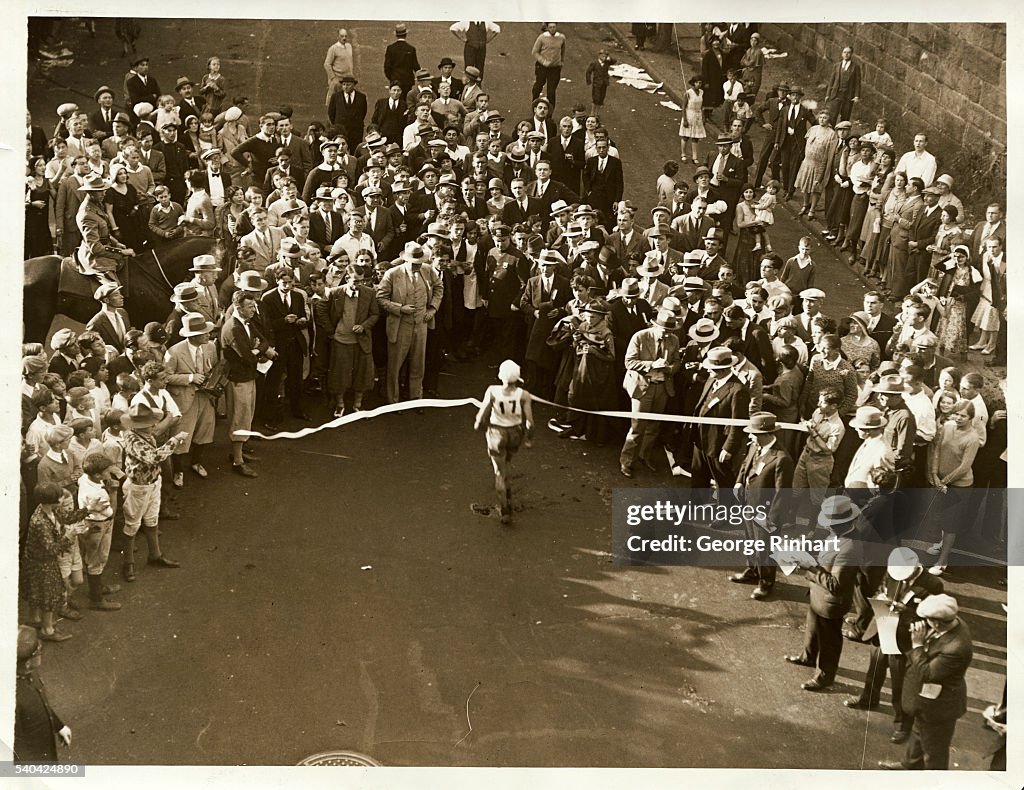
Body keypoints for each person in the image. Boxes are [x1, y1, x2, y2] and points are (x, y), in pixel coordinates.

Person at [878, 593, 973, 770]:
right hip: (926, 703)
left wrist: (917, 645)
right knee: (918, 734)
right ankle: (910, 765)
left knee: (934, 752)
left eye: (927, 620)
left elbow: (927, 673)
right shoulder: (951, 621)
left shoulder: (956, 648)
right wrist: (906, 611)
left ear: (937, 623)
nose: (925, 623)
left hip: (939, 707)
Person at [785, 495, 863, 688]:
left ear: (844, 523)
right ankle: (808, 657)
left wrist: (809, 568)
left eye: (832, 524)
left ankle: (825, 676)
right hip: (818, 596)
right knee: (811, 631)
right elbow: (827, 560)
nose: (828, 527)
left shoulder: (849, 547)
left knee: (829, 642)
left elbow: (836, 585)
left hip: (830, 603)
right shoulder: (837, 535)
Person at [731, 412, 794, 601]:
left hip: (765, 513)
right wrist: (739, 482)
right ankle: (752, 570)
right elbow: (746, 466)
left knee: (765, 548)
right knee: (750, 540)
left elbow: (782, 494)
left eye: (753, 433)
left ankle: (766, 582)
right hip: (748, 504)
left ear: (765, 434)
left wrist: (771, 520)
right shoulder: (755, 447)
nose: (750, 436)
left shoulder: (782, 459)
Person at [377, 242, 444, 405]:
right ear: (406, 260)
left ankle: (416, 398)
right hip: (400, 325)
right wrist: (400, 308)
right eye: (414, 264)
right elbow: (381, 297)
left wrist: (433, 309)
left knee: (417, 364)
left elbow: (439, 287)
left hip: (421, 324)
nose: (417, 266)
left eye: (420, 263)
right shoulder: (392, 274)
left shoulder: (428, 270)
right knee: (395, 365)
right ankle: (393, 401)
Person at [619, 309, 680, 478]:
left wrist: (669, 369)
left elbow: (677, 362)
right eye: (664, 331)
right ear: (655, 325)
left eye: (670, 331)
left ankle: (644, 456)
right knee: (637, 427)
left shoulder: (674, 339)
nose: (667, 334)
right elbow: (629, 362)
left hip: (662, 388)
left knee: (654, 426)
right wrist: (652, 365)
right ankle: (626, 461)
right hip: (643, 387)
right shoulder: (640, 337)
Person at [472, 359, 533, 525]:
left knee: (499, 470)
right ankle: (509, 493)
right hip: (514, 433)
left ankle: (505, 509)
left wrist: (478, 425)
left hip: (497, 432)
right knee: (507, 462)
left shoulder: (492, 391)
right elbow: (530, 423)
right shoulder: (524, 395)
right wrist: (528, 439)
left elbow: (482, 413)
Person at [925, 399, 980, 576]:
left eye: (962, 415)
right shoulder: (947, 426)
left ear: (971, 418)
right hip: (941, 483)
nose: (958, 418)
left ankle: (943, 561)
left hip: (959, 487)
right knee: (941, 518)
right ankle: (941, 545)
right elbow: (937, 451)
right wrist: (934, 474)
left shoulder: (973, 438)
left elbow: (964, 467)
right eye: (956, 413)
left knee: (951, 524)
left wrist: (945, 481)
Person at [21, 484, 76, 642]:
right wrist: (69, 537)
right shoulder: (40, 522)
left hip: (37, 561)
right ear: (51, 500)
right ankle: (47, 630)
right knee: (48, 596)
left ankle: (35, 620)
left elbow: (67, 518)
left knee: (36, 593)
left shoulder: (49, 510)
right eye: (59, 496)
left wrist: (88, 509)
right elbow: (51, 549)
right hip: (41, 564)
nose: (62, 498)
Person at [327, 264, 379, 416]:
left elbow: (375, 314)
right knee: (340, 373)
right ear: (347, 278)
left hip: (361, 340)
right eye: (355, 281)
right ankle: (340, 404)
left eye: (361, 281)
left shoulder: (369, 293)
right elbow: (323, 310)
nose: (358, 285)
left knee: (362, 373)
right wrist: (331, 331)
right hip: (341, 340)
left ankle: (358, 404)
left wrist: (364, 326)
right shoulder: (335, 292)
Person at [15, 625, 73, 760]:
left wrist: (58, 726)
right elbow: (17, 749)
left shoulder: (26, 672)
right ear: (28, 662)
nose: (41, 650)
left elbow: (40, 701)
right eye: (38, 649)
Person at [794, 110, 838, 221]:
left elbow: (830, 151)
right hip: (807, 162)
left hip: (819, 164)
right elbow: (806, 142)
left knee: (815, 188)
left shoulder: (831, 134)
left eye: (825, 118)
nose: (822, 119)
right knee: (805, 185)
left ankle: (812, 209)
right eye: (821, 117)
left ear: (829, 120)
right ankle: (805, 205)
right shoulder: (813, 129)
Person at [824, 46, 862, 122]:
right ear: (842, 54)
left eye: (848, 53)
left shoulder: (855, 67)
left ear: (851, 54)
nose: (846, 54)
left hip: (848, 96)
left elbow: (858, 82)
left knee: (845, 117)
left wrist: (856, 96)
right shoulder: (837, 66)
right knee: (832, 116)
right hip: (836, 94)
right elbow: (831, 81)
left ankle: (842, 133)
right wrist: (828, 94)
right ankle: (830, 133)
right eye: (844, 52)